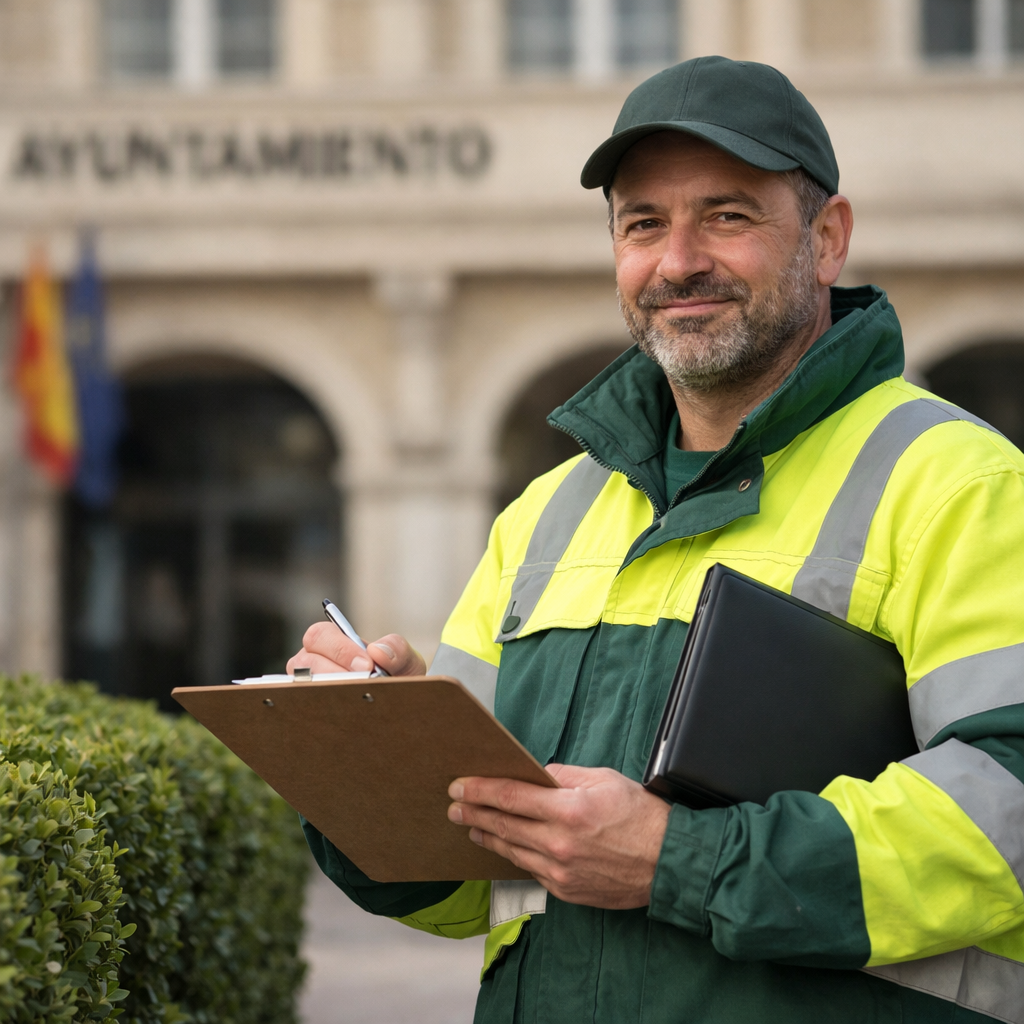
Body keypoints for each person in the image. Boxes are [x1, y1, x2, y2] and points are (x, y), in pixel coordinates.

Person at [289, 57, 1024, 1024]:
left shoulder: (959, 481)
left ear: (828, 237)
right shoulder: (544, 515)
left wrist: (678, 862)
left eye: (727, 215)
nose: (678, 261)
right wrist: (364, 762)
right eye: (643, 224)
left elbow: (1007, 807)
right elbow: (466, 878)